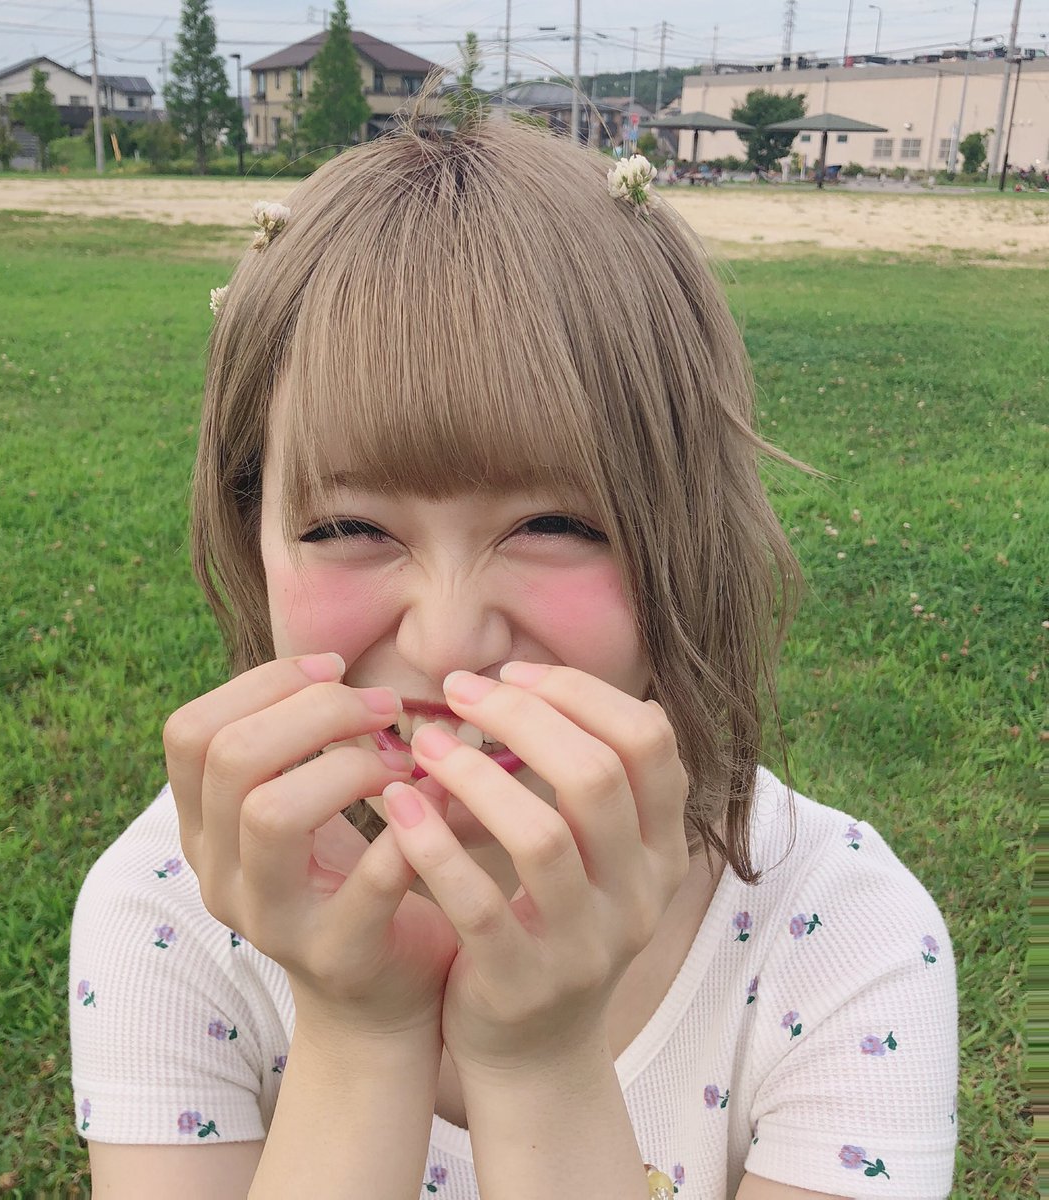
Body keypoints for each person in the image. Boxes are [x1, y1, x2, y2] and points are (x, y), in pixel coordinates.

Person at [69, 109, 957, 1200]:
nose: (447, 643)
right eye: (348, 526)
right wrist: (359, 1032)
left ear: (686, 534)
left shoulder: (843, 934)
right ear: (251, 530)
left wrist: (540, 1062)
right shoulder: (170, 911)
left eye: (556, 524)